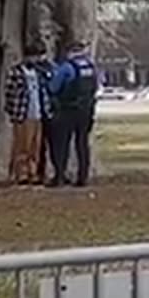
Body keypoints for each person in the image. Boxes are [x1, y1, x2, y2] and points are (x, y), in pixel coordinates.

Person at [47, 40, 100, 188]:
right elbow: (96, 87)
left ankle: (60, 176)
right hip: (86, 110)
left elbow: (54, 87)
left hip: (67, 109)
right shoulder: (91, 67)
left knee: (61, 144)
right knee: (82, 143)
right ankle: (83, 176)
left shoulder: (66, 68)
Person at [3, 41, 54, 185]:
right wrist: (13, 112)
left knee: (35, 146)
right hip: (23, 114)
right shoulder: (16, 72)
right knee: (22, 146)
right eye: (33, 57)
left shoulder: (40, 72)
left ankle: (33, 172)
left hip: (38, 114)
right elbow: (9, 94)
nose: (36, 60)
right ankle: (21, 173)